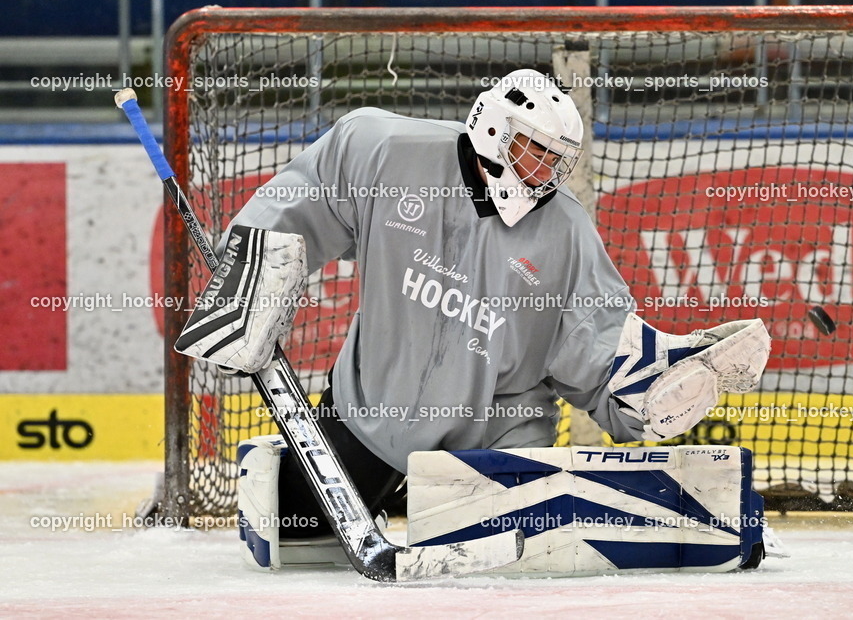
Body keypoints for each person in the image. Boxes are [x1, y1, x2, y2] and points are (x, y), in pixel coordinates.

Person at [180, 69, 770, 546]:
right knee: (284, 529)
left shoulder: (565, 228)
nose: (544, 172)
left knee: (501, 579)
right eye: (532, 151)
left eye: (556, 161)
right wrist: (249, 280)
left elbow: (592, 334)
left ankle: (653, 375)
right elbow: (303, 199)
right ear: (492, 128)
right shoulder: (385, 151)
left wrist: (644, 390)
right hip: (368, 416)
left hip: (499, 437)